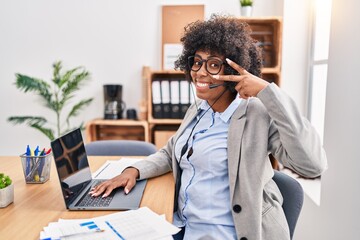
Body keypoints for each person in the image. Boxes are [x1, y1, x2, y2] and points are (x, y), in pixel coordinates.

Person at [90, 15, 327, 240]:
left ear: (234, 71)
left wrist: (267, 91)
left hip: (228, 233)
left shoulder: (257, 114)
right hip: (184, 226)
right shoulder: (199, 110)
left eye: (214, 64)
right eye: (197, 62)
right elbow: (170, 152)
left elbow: (312, 164)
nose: (201, 72)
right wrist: (132, 171)